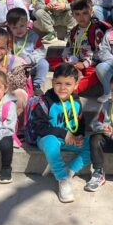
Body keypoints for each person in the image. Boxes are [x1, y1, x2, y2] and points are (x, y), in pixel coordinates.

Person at [28, 63, 90, 203]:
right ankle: (62, 179)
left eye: (68, 84)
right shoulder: (45, 102)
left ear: (76, 85)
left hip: (69, 139)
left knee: (93, 144)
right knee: (51, 142)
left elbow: (80, 121)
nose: (62, 88)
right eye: (58, 83)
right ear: (52, 82)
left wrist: (79, 135)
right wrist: (63, 134)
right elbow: (38, 127)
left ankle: (69, 171)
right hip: (49, 138)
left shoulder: (76, 101)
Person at [6, 7, 48, 97]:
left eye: (21, 26)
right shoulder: (9, 38)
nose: (19, 30)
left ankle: (37, 85)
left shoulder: (34, 36)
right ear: (9, 27)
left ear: (27, 23)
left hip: (31, 66)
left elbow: (41, 52)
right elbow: (7, 53)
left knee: (44, 63)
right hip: (16, 68)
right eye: (14, 28)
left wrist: (29, 59)